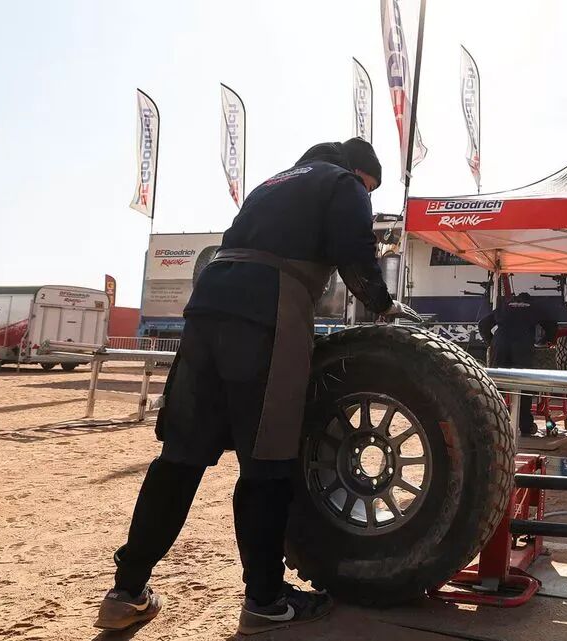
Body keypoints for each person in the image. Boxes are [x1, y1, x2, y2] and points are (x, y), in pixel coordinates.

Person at [93, 138, 422, 635]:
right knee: (267, 463)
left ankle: (126, 591)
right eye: (370, 187)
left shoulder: (272, 184)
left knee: (178, 459)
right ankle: (265, 600)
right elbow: (355, 252)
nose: (368, 195)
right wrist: (384, 304)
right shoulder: (343, 183)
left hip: (206, 313)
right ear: (359, 171)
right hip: (268, 311)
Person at [478, 292, 557, 436]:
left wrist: (491, 343)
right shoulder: (533, 307)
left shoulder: (505, 306)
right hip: (521, 347)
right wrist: (545, 341)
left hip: (500, 346)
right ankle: (525, 426)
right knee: (523, 387)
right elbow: (552, 326)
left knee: (496, 386)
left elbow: (483, 324)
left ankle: (493, 423)